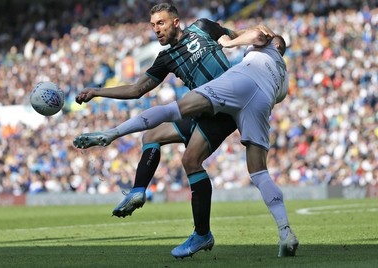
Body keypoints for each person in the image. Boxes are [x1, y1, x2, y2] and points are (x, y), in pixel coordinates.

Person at [74, 28, 299, 258]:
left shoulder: (208, 29)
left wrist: (228, 43)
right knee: (258, 173)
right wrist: (97, 91)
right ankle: (285, 232)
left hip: (233, 89)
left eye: (160, 22)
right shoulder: (284, 78)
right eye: (154, 24)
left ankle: (112, 134)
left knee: (176, 117)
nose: (156, 28)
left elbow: (256, 36)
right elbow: (137, 89)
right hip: (260, 102)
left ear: (176, 21)